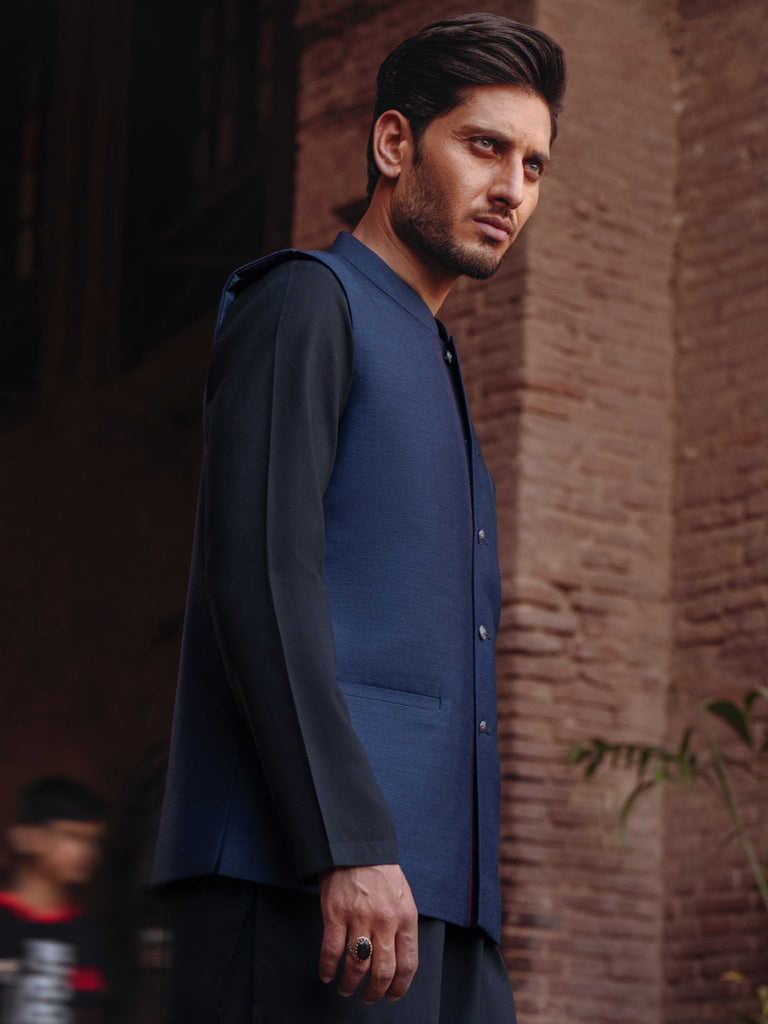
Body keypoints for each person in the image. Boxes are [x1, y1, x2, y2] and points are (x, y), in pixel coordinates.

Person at [152, 13, 566, 1023]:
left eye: (534, 165)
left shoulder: (435, 358)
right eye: (485, 146)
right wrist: (347, 843)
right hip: (306, 884)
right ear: (393, 144)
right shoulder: (307, 302)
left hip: (436, 906)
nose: (512, 188)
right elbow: (262, 577)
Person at [0, 776, 111, 1024]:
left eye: (94, 841)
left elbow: (89, 1011)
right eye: (73, 836)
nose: (88, 852)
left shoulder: (86, 933)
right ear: (25, 837)